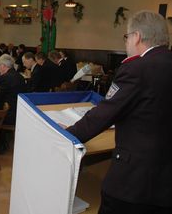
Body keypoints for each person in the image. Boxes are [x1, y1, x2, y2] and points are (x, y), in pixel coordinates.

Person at [67, 11, 172, 214]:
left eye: (127, 37)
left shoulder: (137, 68)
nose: (126, 43)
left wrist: (68, 134)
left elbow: (103, 114)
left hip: (134, 180)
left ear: (137, 36)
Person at [0, 54, 26, 152]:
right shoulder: (20, 77)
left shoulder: (4, 78)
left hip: (8, 114)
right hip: (19, 111)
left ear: (3, 66)